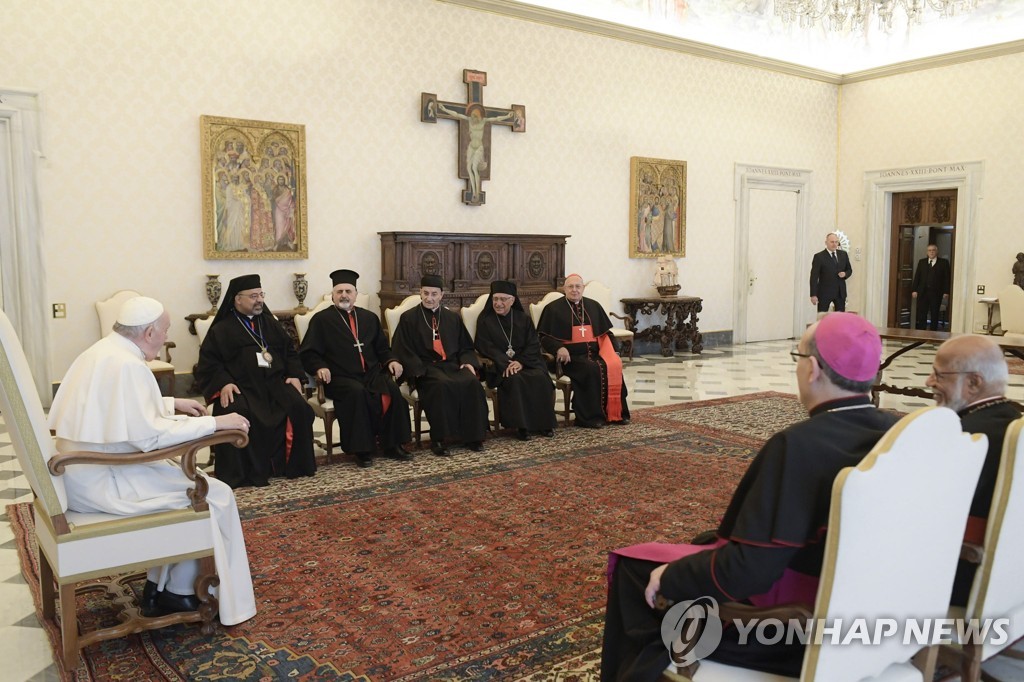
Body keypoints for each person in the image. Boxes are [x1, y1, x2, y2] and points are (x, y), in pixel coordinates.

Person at [601, 313, 898, 680]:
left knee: (634, 570)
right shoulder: (901, 431)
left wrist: (674, 576)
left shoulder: (798, 446)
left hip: (792, 634)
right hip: (879, 610)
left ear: (814, 369)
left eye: (798, 358)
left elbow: (749, 572)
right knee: (704, 543)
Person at [48, 296, 257, 624]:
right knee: (213, 493)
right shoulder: (129, 364)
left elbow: (119, 406)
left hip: (85, 471)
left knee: (180, 478)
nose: (166, 337)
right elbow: (150, 439)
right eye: (164, 330)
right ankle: (180, 591)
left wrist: (171, 403)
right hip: (106, 481)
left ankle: (165, 586)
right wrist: (218, 422)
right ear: (147, 333)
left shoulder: (104, 350)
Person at [925, 334, 1022, 606]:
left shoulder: (963, 437)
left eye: (938, 375)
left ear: (974, 382)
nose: (929, 382)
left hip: (965, 577)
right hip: (1012, 579)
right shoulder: (1016, 423)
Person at [195, 274, 316, 488]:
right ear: (237, 299)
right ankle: (244, 473)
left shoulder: (270, 324)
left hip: (275, 384)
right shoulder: (221, 330)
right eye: (253, 296)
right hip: (241, 387)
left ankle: (291, 466)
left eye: (261, 294)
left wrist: (294, 375)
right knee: (234, 412)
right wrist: (223, 383)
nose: (259, 300)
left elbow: (290, 352)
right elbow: (209, 364)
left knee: (300, 407)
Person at [300, 269, 412, 468]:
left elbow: (382, 349)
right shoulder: (321, 320)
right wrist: (319, 367)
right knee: (357, 394)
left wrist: (392, 361)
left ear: (356, 295)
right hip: (340, 377)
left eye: (348, 291)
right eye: (339, 291)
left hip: (370, 373)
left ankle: (392, 444)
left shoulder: (369, 318)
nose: (344, 295)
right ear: (333, 295)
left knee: (392, 391)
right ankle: (362, 450)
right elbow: (309, 353)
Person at [390, 274, 489, 456]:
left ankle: (473, 436)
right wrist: (417, 369)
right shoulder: (408, 318)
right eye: (426, 293)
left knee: (472, 383)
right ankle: (439, 439)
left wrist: (467, 362)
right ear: (420, 293)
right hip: (426, 367)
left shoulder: (452, 317)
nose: (429, 298)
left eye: (434, 294)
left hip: (452, 365)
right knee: (442, 385)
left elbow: (466, 346)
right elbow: (401, 348)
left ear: (441, 295)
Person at [536, 274, 629, 428]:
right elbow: (543, 337)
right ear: (564, 289)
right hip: (570, 359)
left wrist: (615, 353)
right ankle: (590, 417)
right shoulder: (553, 309)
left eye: (578, 286)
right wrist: (559, 347)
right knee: (591, 369)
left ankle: (617, 413)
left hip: (596, 354)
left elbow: (607, 333)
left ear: (583, 288)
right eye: (570, 287)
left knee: (611, 366)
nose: (574, 290)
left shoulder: (594, 306)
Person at [474, 280, 557, 440]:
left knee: (540, 377)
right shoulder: (485, 320)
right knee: (515, 380)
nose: (498, 303)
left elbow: (533, 343)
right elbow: (484, 346)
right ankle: (522, 426)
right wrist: (505, 362)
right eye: (495, 299)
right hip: (500, 365)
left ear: (512, 300)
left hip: (526, 362)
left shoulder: (523, 318)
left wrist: (521, 362)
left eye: (503, 299)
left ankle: (543, 423)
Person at [436, 101, 513, 202]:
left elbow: (496, 118)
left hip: (479, 148)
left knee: (474, 168)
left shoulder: (483, 121)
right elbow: (456, 114)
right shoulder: (469, 120)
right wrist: (444, 109)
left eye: (475, 117)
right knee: (469, 168)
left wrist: (507, 116)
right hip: (471, 147)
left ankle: (476, 192)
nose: (473, 119)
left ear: (479, 116)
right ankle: (473, 191)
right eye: (472, 116)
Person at [808, 232, 853, 313]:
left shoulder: (843, 254)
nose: (834, 244)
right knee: (822, 318)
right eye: (832, 242)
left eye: (836, 242)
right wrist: (813, 294)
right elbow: (814, 277)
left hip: (840, 292)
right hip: (824, 292)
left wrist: (845, 274)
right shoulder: (819, 257)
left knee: (840, 319)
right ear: (826, 243)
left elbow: (849, 270)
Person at [911, 243, 951, 330]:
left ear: (937, 251)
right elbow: (917, 276)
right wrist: (914, 290)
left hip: (936, 293)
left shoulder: (944, 263)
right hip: (923, 292)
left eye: (933, 250)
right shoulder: (922, 262)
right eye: (929, 250)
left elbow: (946, 278)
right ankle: (922, 332)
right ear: (927, 252)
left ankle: (933, 333)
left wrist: (946, 291)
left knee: (935, 313)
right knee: (922, 313)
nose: (931, 252)